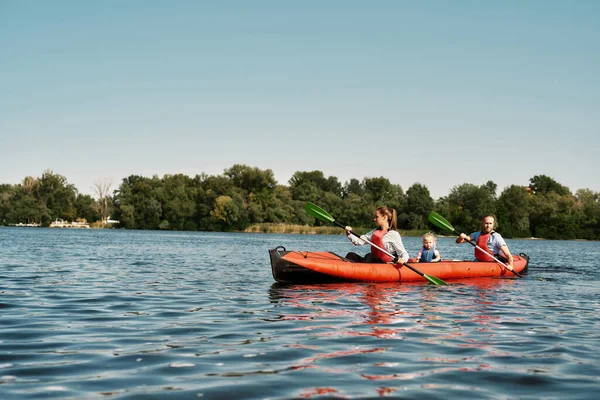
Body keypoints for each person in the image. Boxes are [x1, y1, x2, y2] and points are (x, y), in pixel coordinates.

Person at [344, 206, 409, 264]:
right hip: (373, 262)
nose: (374, 219)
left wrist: (403, 260)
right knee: (351, 255)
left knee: (370, 256)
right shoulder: (374, 232)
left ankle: (360, 272)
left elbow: (404, 253)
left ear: (384, 217)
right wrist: (349, 233)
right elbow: (359, 241)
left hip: (386, 265)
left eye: (376, 217)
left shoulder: (393, 234)